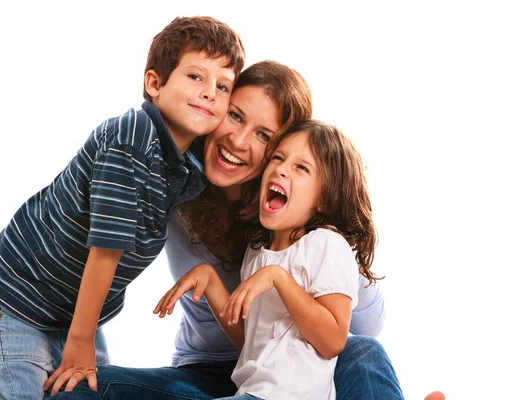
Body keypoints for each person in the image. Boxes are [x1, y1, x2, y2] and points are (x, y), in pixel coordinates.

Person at [44, 62, 406, 400]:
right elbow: (248, 337)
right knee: (77, 388)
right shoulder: (177, 190)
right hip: (212, 376)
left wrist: (333, 243)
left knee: (364, 349)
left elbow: (359, 329)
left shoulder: (308, 231)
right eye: (234, 116)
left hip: (297, 376)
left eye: (264, 135)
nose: (238, 140)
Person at [0, 15, 245, 400]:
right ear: (154, 83)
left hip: (73, 305)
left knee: (84, 395)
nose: (210, 92)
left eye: (223, 85)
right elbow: (106, 246)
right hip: (19, 295)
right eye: (196, 77)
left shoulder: (185, 165)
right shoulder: (131, 137)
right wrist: (81, 342)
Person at [154, 119, 376, 399]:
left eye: (301, 168)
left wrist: (279, 278)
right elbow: (252, 343)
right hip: (251, 392)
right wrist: (210, 281)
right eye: (278, 159)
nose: (281, 169)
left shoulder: (326, 242)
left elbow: (332, 341)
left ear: (326, 199)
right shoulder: (257, 250)